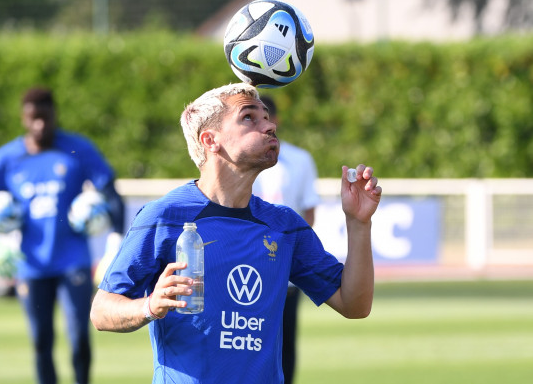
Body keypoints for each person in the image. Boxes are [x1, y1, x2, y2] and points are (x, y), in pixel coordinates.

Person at [90, 82, 381, 384]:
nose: (269, 126)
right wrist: (149, 306)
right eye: (249, 117)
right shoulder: (165, 217)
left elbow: (354, 304)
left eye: (267, 117)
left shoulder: (285, 225)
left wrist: (359, 222)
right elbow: (101, 312)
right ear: (210, 140)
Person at [0, 87, 125, 384]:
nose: (40, 125)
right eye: (34, 118)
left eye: (46, 117)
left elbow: (112, 194)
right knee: (41, 341)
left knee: (79, 335)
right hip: (31, 264)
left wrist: (114, 242)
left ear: (55, 115)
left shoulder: (77, 149)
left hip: (73, 261)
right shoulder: (7, 158)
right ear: (24, 118)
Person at [252, 95, 320, 384]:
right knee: (243, 341)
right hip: (247, 263)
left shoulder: (300, 159)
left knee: (284, 343)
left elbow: (309, 213)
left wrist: (292, 253)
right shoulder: (235, 159)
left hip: (285, 269)